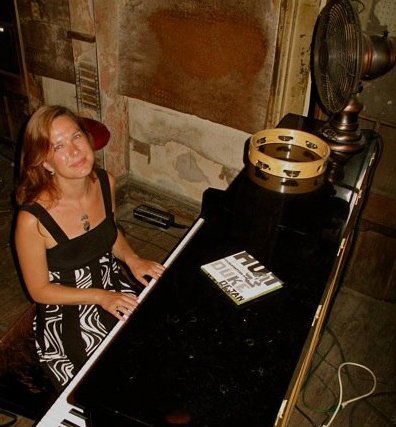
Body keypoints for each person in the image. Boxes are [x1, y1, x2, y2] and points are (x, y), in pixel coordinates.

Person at [14, 105, 165, 391]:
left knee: (158, 343)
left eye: (76, 137)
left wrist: (133, 259)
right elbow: (39, 291)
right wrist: (101, 297)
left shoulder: (105, 182)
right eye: (58, 146)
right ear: (44, 162)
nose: (74, 151)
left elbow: (108, 234)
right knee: (110, 381)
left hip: (112, 287)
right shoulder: (32, 220)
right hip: (68, 311)